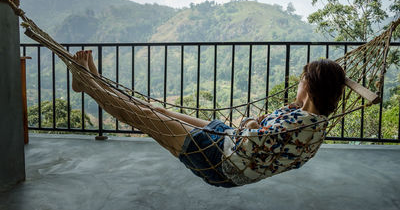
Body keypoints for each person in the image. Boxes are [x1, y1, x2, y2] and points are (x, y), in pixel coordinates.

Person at [72, 51, 345, 188]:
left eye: (301, 78)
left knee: (143, 117)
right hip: (225, 140)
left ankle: (87, 82)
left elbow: (252, 136)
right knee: (159, 111)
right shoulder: (307, 117)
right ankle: (94, 80)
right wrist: (253, 125)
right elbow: (265, 136)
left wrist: (250, 125)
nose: (297, 83)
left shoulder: (302, 124)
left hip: (220, 160)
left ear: (309, 84)